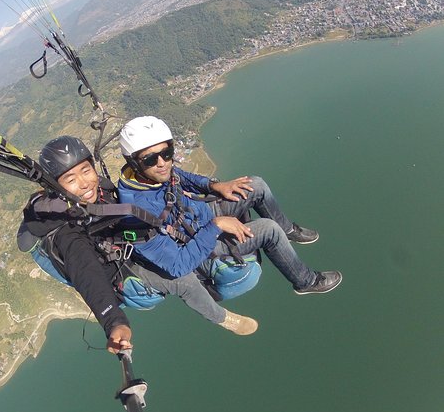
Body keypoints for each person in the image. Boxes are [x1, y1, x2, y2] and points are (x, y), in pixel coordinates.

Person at [20, 136, 258, 354]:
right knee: (184, 281)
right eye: (71, 180)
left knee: (173, 231)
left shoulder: (100, 189)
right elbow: (88, 277)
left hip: (127, 243)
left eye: (86, 170)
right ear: (58, 188)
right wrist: (115, 323)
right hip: (120, 273)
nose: (84, 183)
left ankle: (207, 266)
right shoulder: (69, 234)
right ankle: (223, 318)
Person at [116, 116, 342, 295]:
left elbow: (179, 176)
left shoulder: (151, 175)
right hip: (201, 248)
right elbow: (178, 266)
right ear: (134, 162)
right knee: (268, 230)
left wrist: (214, 185)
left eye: (167, 153)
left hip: (199, 217)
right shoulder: (136, 215)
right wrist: (216, 226)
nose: (162, 163)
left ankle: (288, 231)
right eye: (150, 159)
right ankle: (305, 281)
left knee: (255, 185)